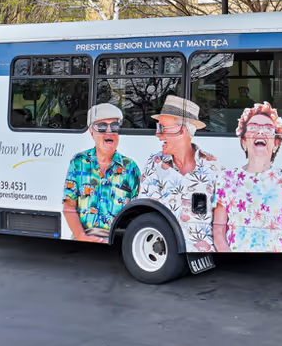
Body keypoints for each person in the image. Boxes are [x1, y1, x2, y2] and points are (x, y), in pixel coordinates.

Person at [213, 102, 282, 252]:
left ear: (276, 143)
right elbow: (218, 231)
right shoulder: (226, 179)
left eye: (268, 129)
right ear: (243, 141)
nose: (260, 133)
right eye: (253, 127)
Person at [138, 96, 218, 252]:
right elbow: (144, 212)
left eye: (162, 128)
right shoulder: (154, 163)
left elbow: (220, 217)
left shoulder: (211, 166)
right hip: (164, 252)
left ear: (182, 130)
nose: (157, 134)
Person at [62, 104, 140, 243]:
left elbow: (138, 212)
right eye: (102, 126)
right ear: (92, 132)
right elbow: (68, 204)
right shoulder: (79, 162)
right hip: (83, 237)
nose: (109, 131)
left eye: (114, 126)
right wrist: (82, 237)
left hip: (118, 240)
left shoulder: (131, 168)